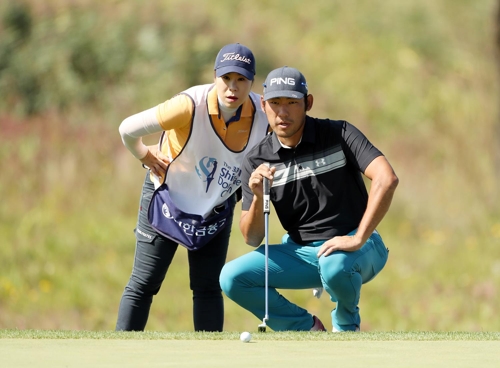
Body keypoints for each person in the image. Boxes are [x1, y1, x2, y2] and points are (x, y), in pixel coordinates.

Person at [220, 66, 399, 332]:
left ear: (308, 103)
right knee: (232, 278)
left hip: (359, 248)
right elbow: (252, 238)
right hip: (302, 254)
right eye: (275, 103)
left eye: (292, 103)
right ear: (263, 105)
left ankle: (346, 327)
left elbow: (386, 178)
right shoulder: (257, 160)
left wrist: (358, 237)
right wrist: (258, 197)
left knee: (334, 265)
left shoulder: (339, 134)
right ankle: (306, 329)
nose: (283, 112)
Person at [116, 43, 269, 332]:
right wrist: (145, 156)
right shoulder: (188, 106)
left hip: (215, 205)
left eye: (241, 80)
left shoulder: (263, 113)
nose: (232, 88)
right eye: (226, 78)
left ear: (252, 81)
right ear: (215, 76)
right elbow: (127, 129)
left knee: (208, 287)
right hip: (167, 198)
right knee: (144, 283)